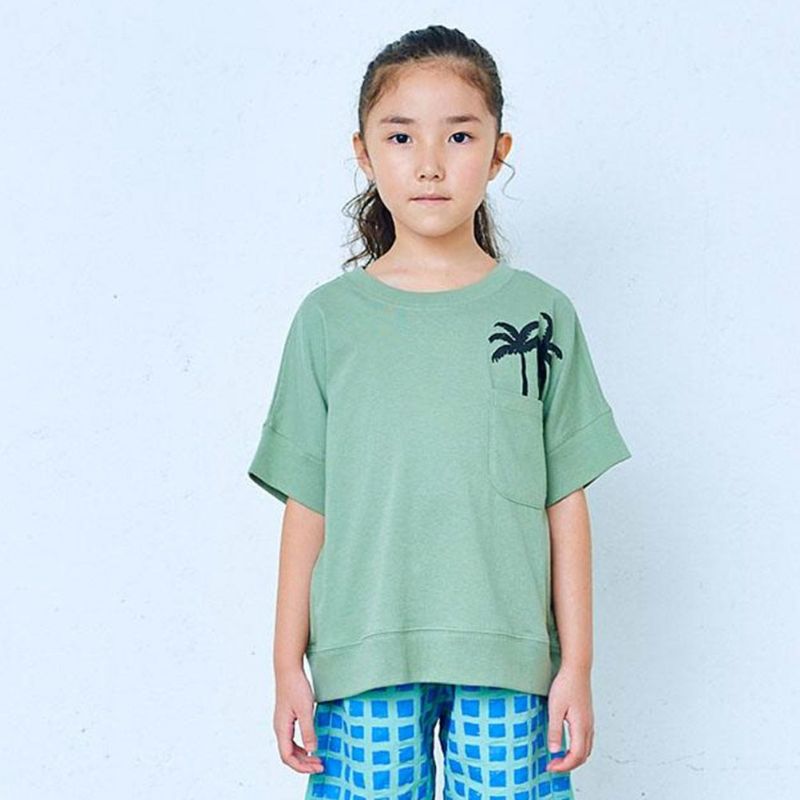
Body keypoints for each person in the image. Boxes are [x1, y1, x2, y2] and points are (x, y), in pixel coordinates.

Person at [247, 24, 632, 800]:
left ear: (498, 150)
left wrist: (578, 665)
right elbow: (307, 504)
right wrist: (286, 662)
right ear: (363, 152)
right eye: (400, 136)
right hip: (363, 653)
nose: (429, 163)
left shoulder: (541, 315)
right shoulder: (328, 320)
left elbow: (565, 501)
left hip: (510, 657)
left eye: (459, 135)